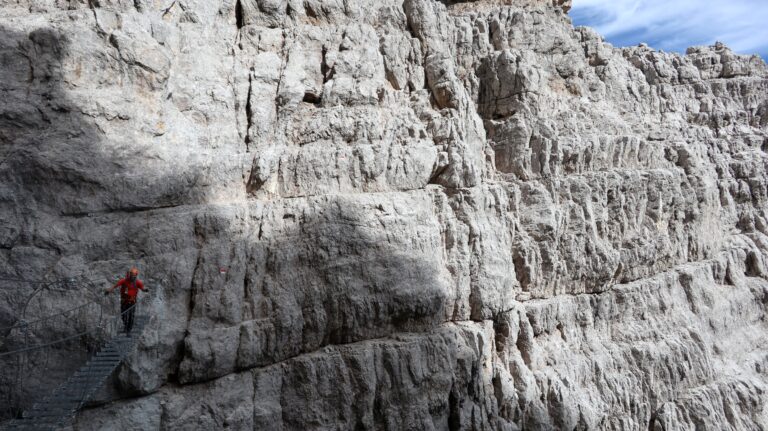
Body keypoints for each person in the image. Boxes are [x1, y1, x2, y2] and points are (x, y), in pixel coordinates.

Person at [105, 267, 148, 333]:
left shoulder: (137, 283)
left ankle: (128, 329)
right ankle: (125, 326)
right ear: (130, 275)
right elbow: (115, 286)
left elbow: (142, 288)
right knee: (124, 315)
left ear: (136, 276)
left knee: (131, 315)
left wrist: (145, 290)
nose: (133, 277)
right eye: (132, 276)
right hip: (124, 301)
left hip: (132, 302)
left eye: (134, 276)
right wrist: (109, 290)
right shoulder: (124, 281)